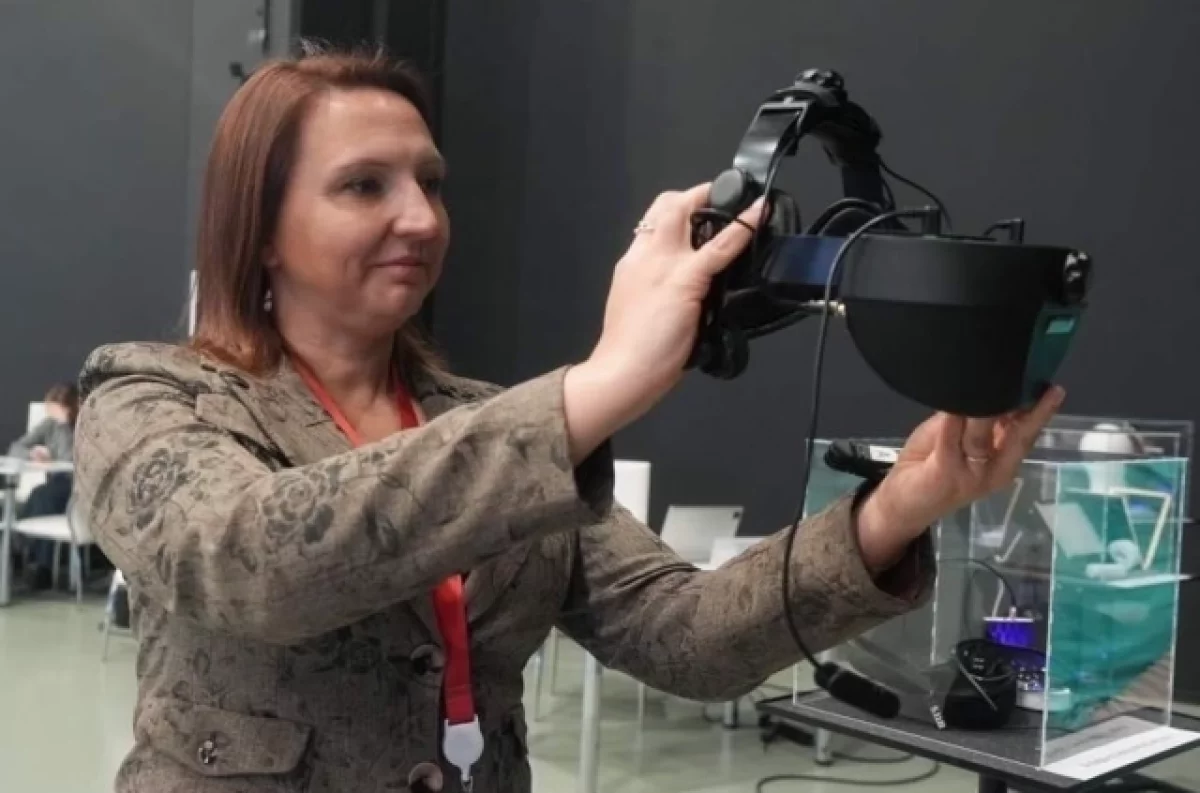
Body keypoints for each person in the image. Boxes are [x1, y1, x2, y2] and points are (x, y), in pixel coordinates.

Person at [72, 47, 1064, 793]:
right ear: (261, 229)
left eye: (431, 182)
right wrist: (606, 381)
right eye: (365, 185)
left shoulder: (482, 423)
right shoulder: (149, 397)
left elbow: (684, 635)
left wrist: (897, 507)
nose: (421, 217)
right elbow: (251, 561)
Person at [8, 382, 78, 590]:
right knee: (36, 500)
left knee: (42, 497)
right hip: (55, 483)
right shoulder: (49, 424)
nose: (50, 412)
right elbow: (16, 447)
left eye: (55, 408)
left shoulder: (84, 425)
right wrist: (32, 454)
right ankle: (29, 560)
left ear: (69, 407)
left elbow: (71, 460)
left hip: (77, 486)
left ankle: (39, 565)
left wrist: (64, 425)